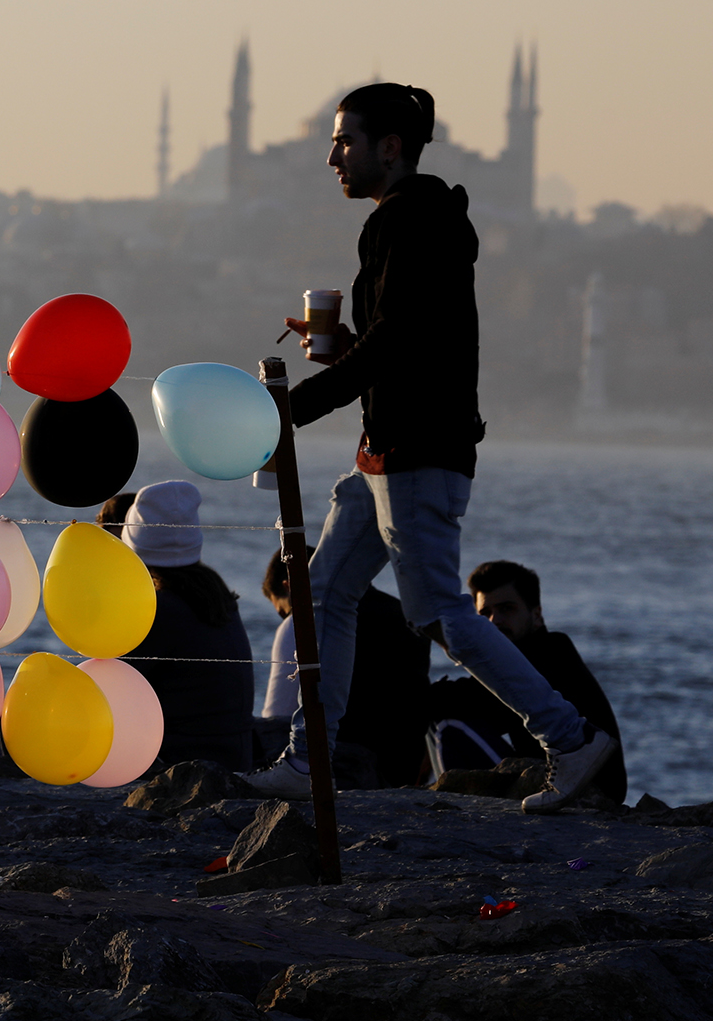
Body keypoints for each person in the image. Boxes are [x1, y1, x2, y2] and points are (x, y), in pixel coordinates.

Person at [244, 82, 619, 812]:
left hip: (415, 455)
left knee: (441, 616)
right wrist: (345, 350)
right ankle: (307, 756)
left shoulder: (407, 221)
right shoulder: (420, 221)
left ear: (390, 148)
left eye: (344, 142)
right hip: (387, 453)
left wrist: (291, 410)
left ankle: (570, 740)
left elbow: (397, 342)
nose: (331, 158)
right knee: (323, 592)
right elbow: (404, 340)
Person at [428, 560, 625, 801]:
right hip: (551, 779)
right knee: (436, 716)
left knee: (450, 726)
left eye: (507, 609)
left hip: (587, 790)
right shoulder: (526, 654)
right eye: (485, 614)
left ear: (537, 615)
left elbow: (470, 702)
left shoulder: (550, 653)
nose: (494, 621)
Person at [259, 550, 431, 787]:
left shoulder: (307, 619)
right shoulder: (405, 613)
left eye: (283, 611)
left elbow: (277, 716)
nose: (286, 618)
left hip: (345, 765)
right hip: (402, 767)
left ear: (290, 586)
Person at [118, 481, 256, 771]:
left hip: (183, 763)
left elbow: (113, 685)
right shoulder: (213, 592)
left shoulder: (159, 610)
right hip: (235, 757)